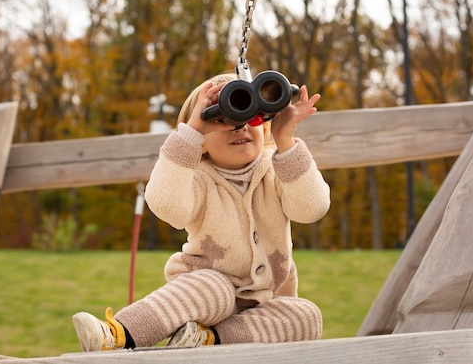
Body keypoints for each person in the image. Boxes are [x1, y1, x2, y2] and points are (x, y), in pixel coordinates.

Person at [72, 72, 331, 351]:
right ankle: (118, 335)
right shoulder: (197, 178)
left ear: (265, 127)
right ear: (202, 142)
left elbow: (312, 208)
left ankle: (207, 339)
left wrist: (286, 141)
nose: (239, 127)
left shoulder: (279, 168)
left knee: (306, 315)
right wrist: (190, 135)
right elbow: (166, 205)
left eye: (251, 118)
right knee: (214, 287)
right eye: (223, 120)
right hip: (206, 295)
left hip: (265, 307)